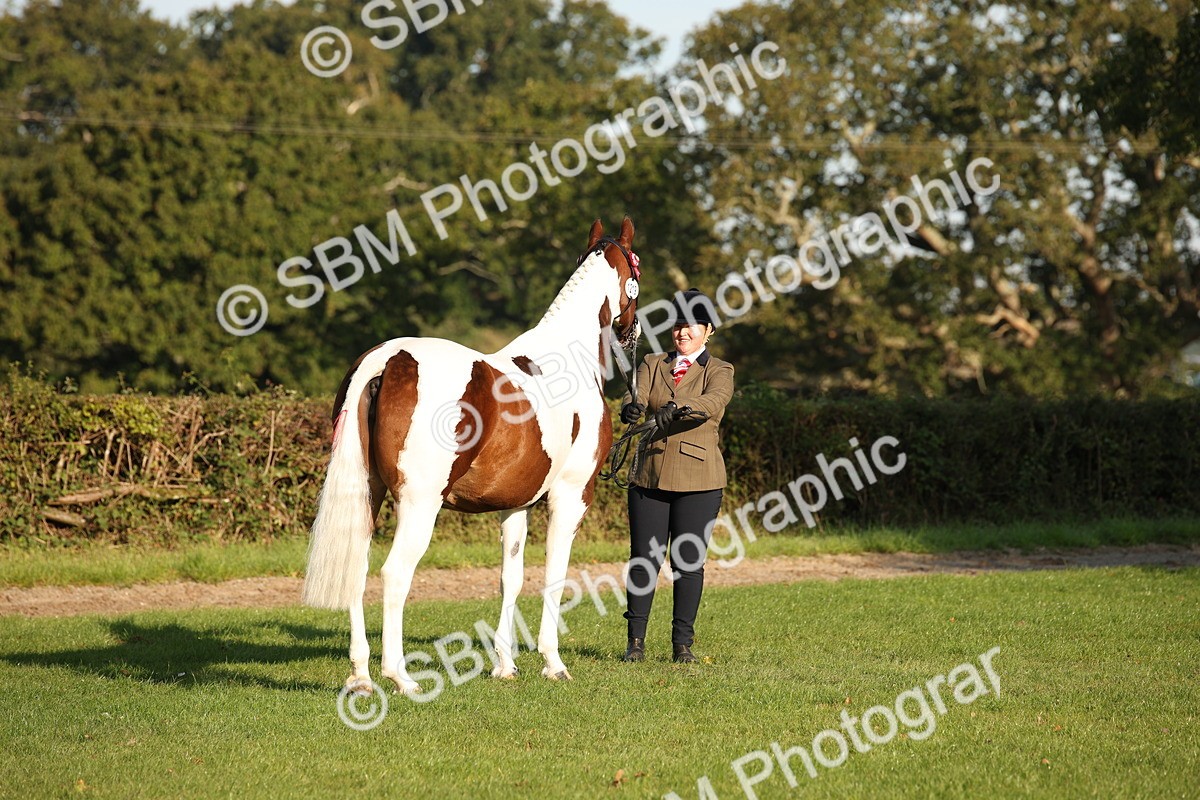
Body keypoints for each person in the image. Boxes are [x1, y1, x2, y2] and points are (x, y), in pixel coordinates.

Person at [618, 288, 735, 663]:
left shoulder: (719, 370)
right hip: (648, 476)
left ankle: (682, 644)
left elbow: (712, 402)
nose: (682, 333)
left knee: (687, 563)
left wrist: (675, 406)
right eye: (677, 326)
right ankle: (635, 643)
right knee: (643, 560)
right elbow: (635, 394)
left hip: (698, 480)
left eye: (690, 327)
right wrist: (632, 407)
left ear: (708, 330)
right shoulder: (652, 362)